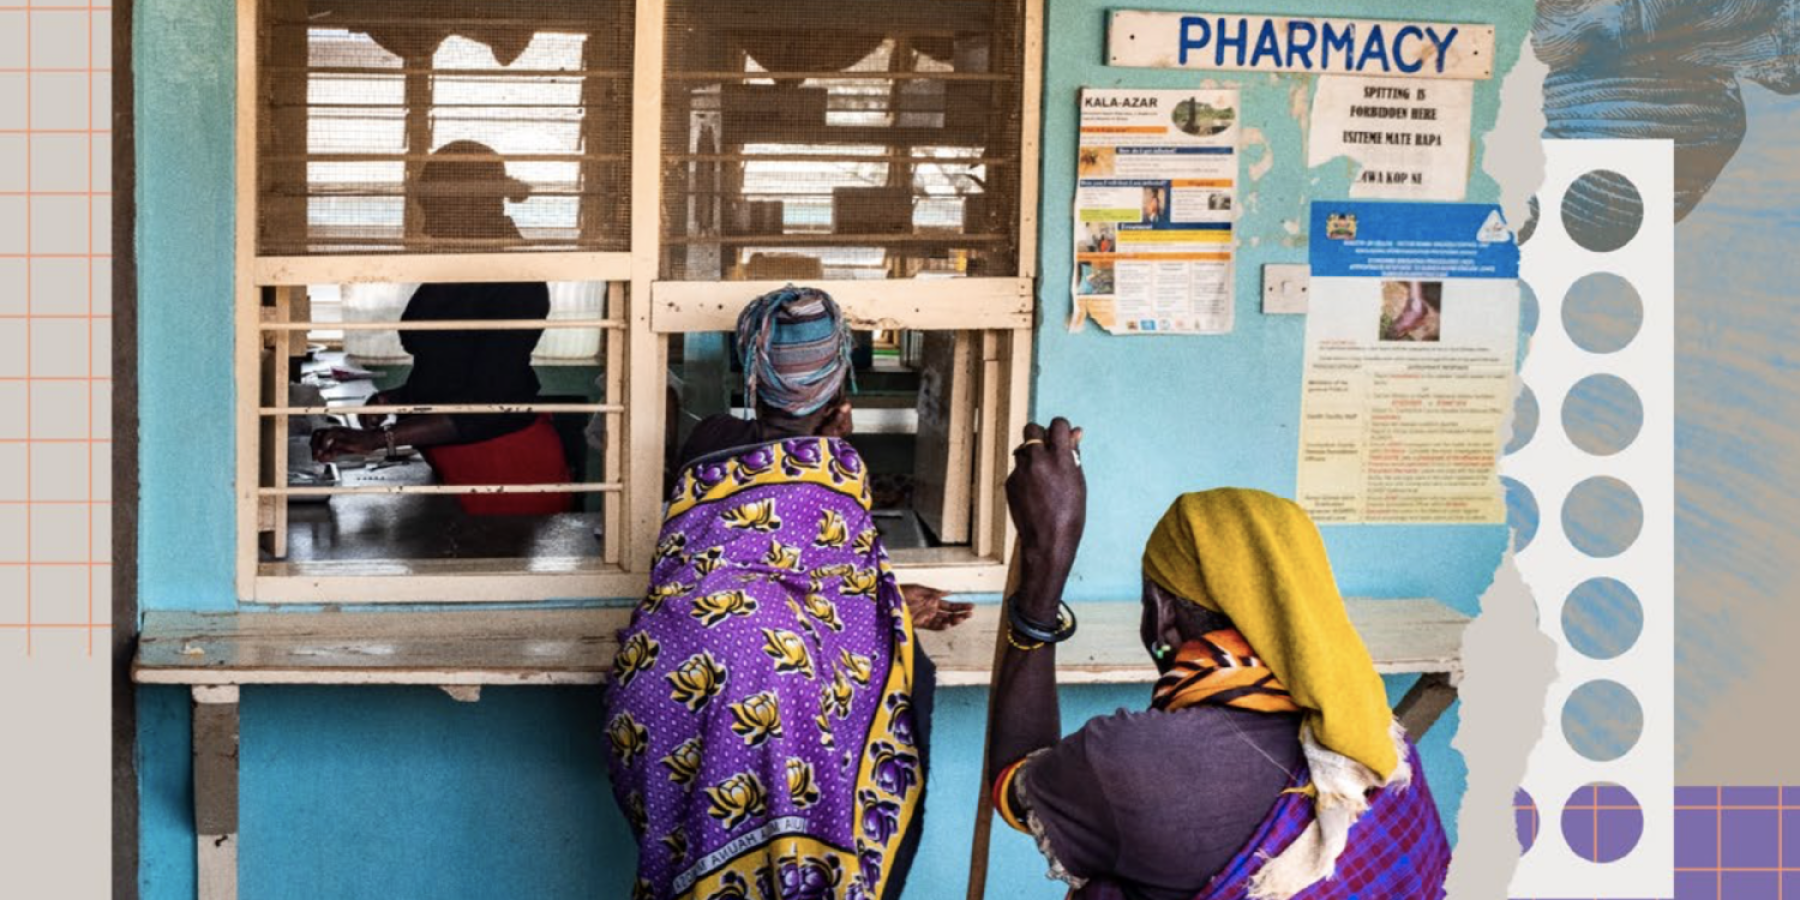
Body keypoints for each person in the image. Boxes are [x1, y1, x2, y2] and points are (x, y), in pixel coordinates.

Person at [604, 285, 970, 900]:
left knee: (687, 850)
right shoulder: (839, 469)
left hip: (661, 675)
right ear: (839, 378)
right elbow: (833, 608)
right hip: (757, 692)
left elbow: (758, 562)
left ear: (751, 366)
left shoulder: (707, 442)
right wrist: (888, 602)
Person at [987, 419, 1450, 900]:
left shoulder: (1133, 760)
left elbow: (1012, 780)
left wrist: (1047, 563)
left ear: (1162, 617)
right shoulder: (1374, 733)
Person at [310, 141, 572, 516]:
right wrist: (396, 399)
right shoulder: (462, 264)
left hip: (505, 469)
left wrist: (379, 439)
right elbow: (451, 369)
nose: (425, 219)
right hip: (460, 462)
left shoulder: (516, 278)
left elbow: (489, 401)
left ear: (470, 204)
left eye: (432, 205)